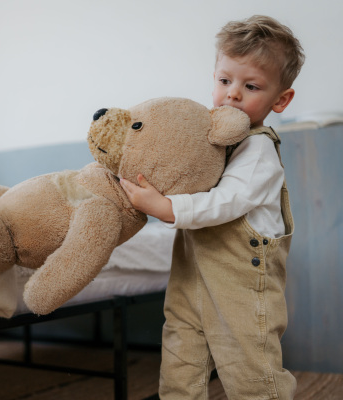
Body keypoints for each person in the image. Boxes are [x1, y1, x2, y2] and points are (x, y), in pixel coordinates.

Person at [120, 15, 304, 399]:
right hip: (191, 273)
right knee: (180, 355)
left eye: (251, 86)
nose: (232, 94)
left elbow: (226, 202)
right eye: (224, 81)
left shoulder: (259, 149)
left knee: (249, 363)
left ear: (280, 99)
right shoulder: (214, 141)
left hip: (241, 282)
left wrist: (168, 207)